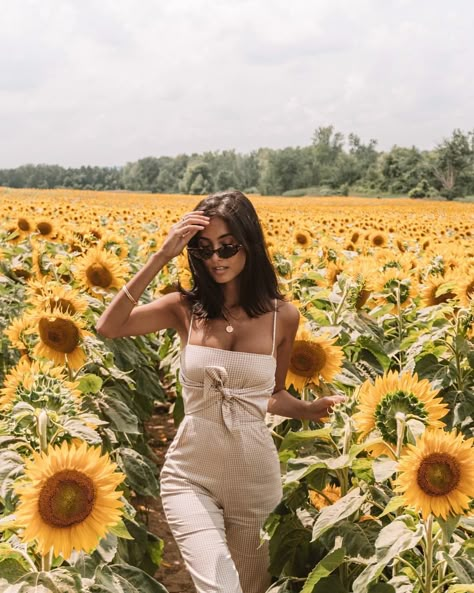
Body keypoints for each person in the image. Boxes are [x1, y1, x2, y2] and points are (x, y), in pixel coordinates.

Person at [96, 190, 344, 593]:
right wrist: (160, 256)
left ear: (249, 244)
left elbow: (272, 394)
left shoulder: (283, 317)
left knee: (252, 588)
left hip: (255, 481)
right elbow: (109, 327)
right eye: (203, 248)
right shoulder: (184, 308)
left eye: (227, 246)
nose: (216, 258)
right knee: (221, 586)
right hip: (189, 475)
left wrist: (309, 410)